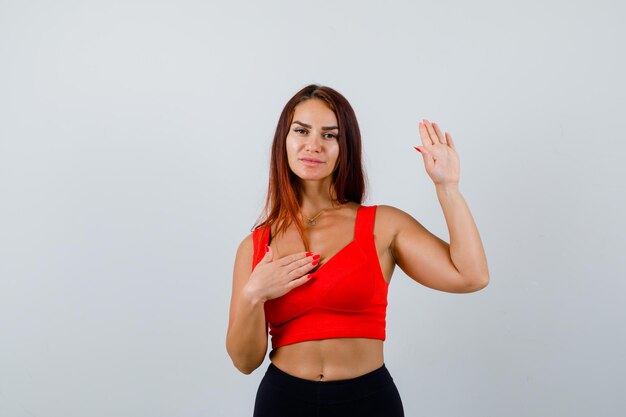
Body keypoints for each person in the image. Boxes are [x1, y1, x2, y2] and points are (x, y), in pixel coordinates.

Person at [226, 84, 489, 417]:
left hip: (367, 401)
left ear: (344, 146)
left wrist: (447, 188)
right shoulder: (254, 246)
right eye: (301, 131)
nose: (313, 145)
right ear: (284, 141)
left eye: (329, 135)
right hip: (283, 400)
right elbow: (244, 362)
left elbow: (471, 276)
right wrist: (253, 295)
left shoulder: (383, 225)